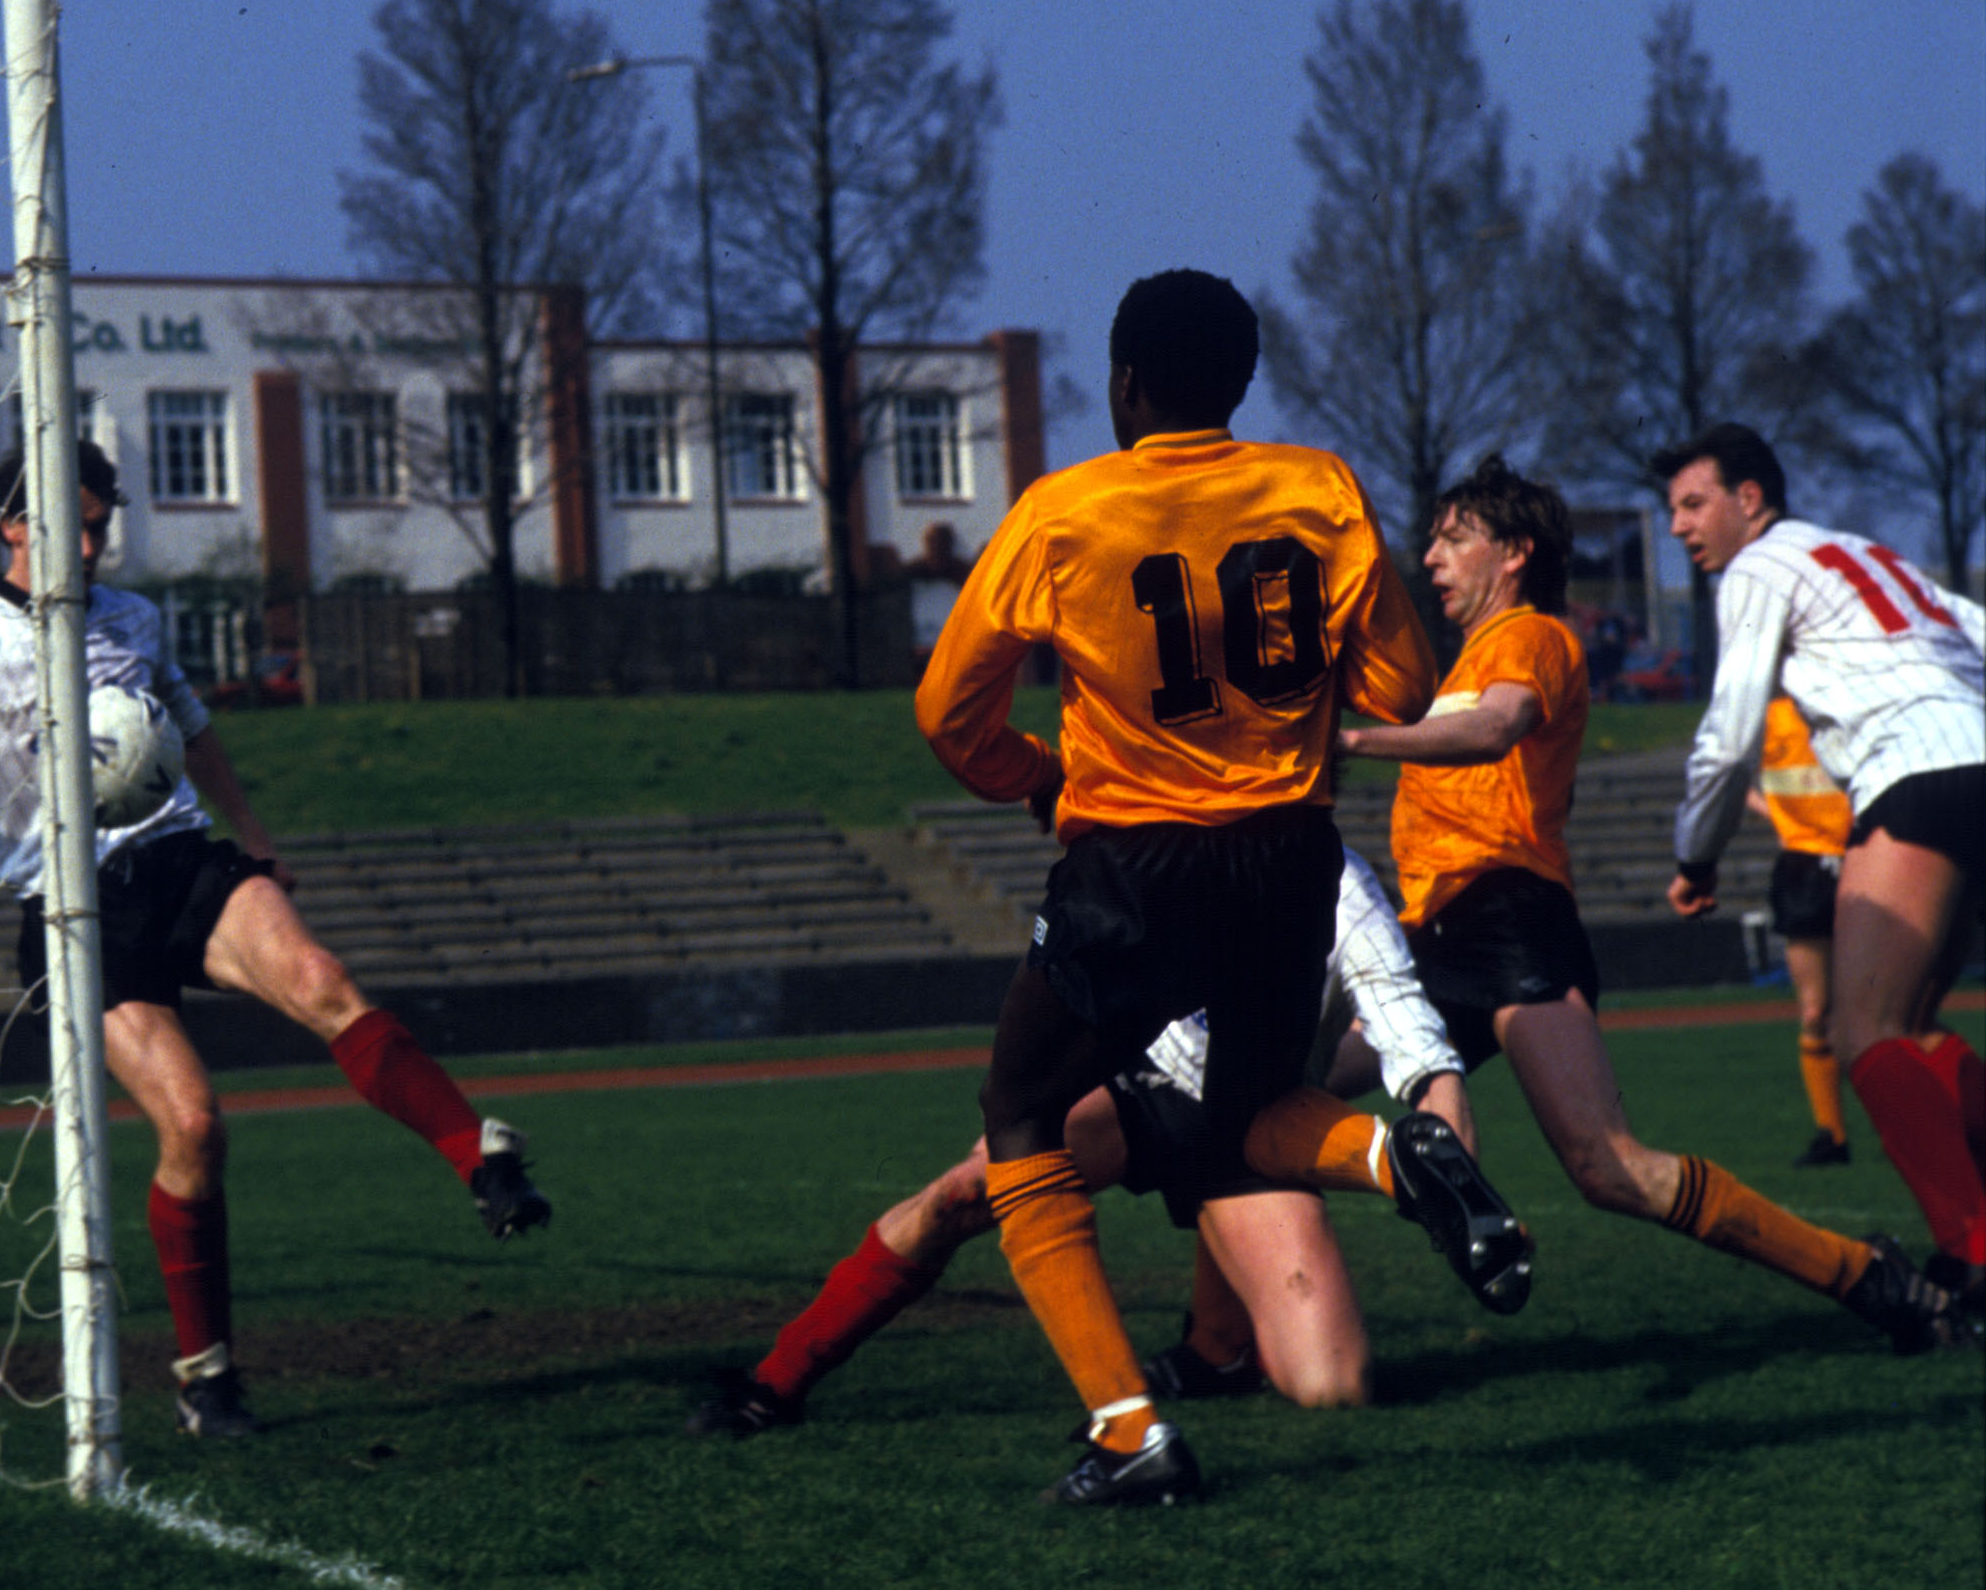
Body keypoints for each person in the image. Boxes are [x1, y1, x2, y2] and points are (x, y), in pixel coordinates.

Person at [916, 269, 1530, 1512]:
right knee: (1247, 1108)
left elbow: (948, 715)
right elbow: (1404, 692)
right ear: (1242, 384)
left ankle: (1128, 1427)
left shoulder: (1064, 511)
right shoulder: (1319, 488)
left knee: (1021, 1107)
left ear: (1124, 384)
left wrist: (1033, 773)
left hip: (1140, 864)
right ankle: (1391, 1156)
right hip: (1289, 858)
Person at [0, 440, 551, 1440]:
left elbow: (191, 727)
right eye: (77, 523)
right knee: (193, 1127)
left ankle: (481, 1160)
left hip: (180, 858)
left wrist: (260, 841)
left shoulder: (134, 619)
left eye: (104, 523)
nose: (95, 543)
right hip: (69, 914)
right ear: (13, 525)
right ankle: (207, 1378)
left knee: (321, 976)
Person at [1339, 453, 1962, 1352]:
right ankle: (1245, 1326)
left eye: (1453, 538)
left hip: (1508, 923)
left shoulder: (1529, 637)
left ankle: (1865, 1276)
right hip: (1436, 933)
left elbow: (1497, 728)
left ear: (1512, 553)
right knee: (1290, 1094)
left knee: (1610, 1168)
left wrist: (1353, 740)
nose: (1431, 558)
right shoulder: (1472, 653)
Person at [684, 847, 1474, 1436]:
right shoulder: (1175, 842)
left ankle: (1217, 1354)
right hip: (1138, 1092)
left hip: (1246, 1126)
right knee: (960, 1194)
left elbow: (1412, 1039)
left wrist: (1465, 1189)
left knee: (1332, 1384)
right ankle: (775, 1382)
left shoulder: (1345, 891)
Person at [1659, 422, 1986, 1320]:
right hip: (1973, 760)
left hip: (1913, 772)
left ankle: (1970, 1254)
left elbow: (1729, 736)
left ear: (1749, 499)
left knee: (1863, 1027)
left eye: (1693, 504)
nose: (1679, 528)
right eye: (1670, 511)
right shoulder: (1868, 554)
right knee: (1915, 1024)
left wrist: (1695, 852)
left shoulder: (1757, 568)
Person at [1748, 696, 1854, 1167]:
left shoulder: (1841, 694)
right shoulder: (1763, 712)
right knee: (1814, 1010)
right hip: (1804, 865)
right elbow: (1728, 774)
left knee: (1891, 1010)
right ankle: (1831, 1136)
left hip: (1869, 855)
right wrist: (1778, 815)